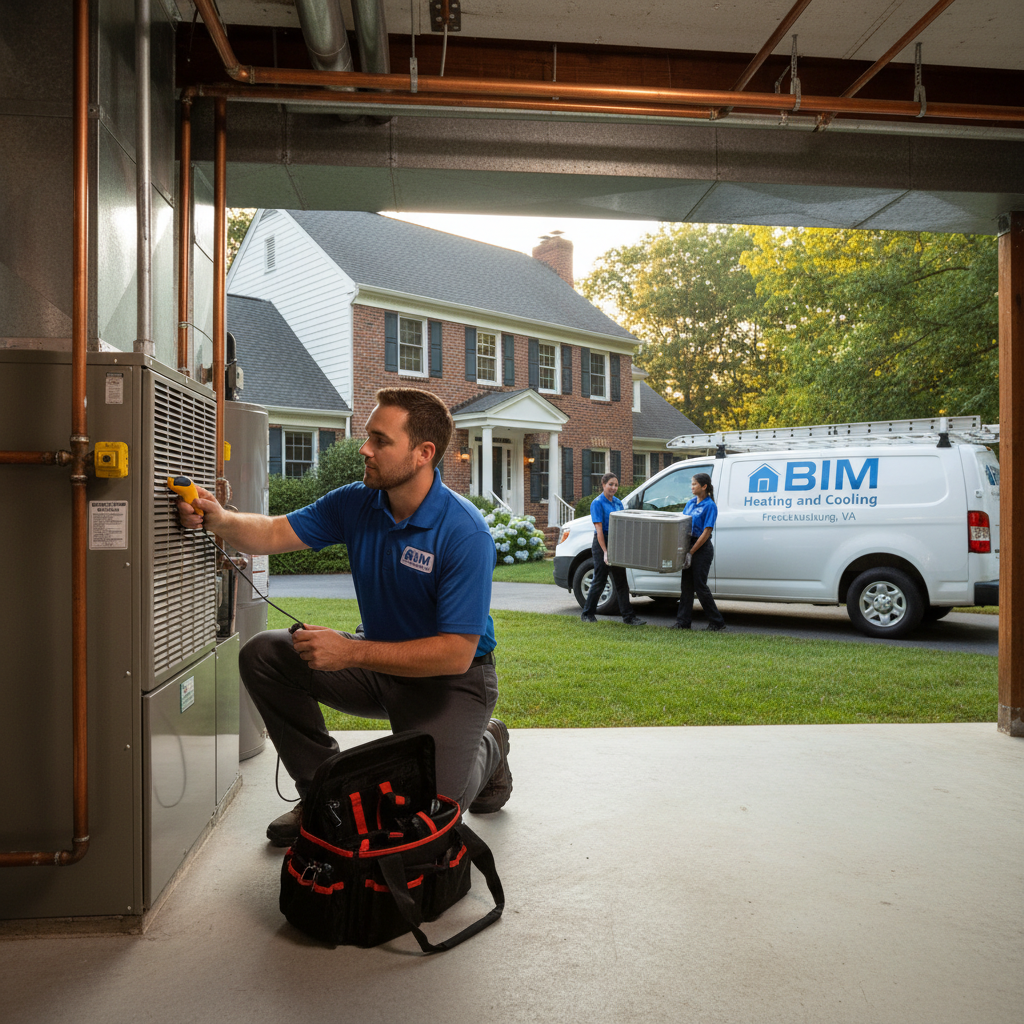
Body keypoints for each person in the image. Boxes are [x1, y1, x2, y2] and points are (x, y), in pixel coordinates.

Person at [174, 387, 512, 846]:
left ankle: (489, 742)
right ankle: (321, 797)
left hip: (451, 682)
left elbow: (455, 653)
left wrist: (349, 650)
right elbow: (274, 531)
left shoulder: (464, 533)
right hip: (376, 668)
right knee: (265, 654)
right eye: (367, 437)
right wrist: (220, 519)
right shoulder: (356, 503)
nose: (364, 449)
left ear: (422, 453)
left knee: (427, 816)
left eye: (379, 439)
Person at [580, 472, 647, 625]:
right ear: (603, 485)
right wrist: (605, 552)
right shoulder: (597, 503)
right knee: (600, 579)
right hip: (602, 542)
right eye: (610, 484)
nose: (613, 488)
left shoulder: (618, 503)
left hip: (616, 542)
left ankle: (628, 617)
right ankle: (587, 614)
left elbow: (622, 526)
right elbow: (599, 530)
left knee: (621, 581)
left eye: (616, 485)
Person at [672, 471, 726, 632]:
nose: (692, 487)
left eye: (694, 484)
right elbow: (683, 525)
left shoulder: (710, 506)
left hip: (701, 549)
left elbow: (706, 532)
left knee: (700, 586)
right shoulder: (690, 503)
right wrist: (683, 550)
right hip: (688, 546)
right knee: (686, 586)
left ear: (704, 486)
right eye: (691, 484)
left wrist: (691, 552)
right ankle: (683, 622)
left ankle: (717, 622)